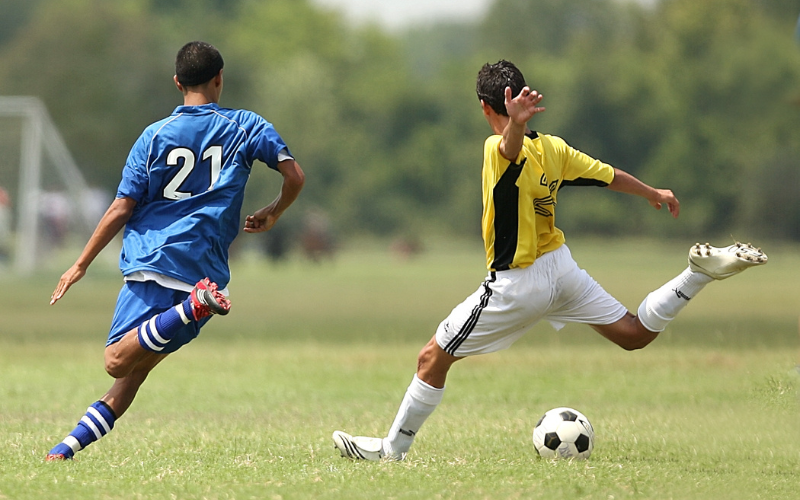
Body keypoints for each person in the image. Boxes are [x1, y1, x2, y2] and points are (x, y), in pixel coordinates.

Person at [332, 60, 767, 461]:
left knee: (432, 358)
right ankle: (695, 275)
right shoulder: (554, 149)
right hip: (561, 268)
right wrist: (653, 192)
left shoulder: (494, 147)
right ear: (520, 96)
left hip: (517, 283)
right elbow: (607, 175)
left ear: (485, 107)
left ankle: (393, 450)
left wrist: (513, 127)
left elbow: (507, 150)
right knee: (634, 334)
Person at [46, 41, 305, 461]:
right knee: (131, 377)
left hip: (154, 261)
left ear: (177, 83)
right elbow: (294, 175)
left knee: (116, 361)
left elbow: (121, 207)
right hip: (205, 268)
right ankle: (64, 450)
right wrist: (273, 212)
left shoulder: (153, 137)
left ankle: (190, 307)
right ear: (220, 79)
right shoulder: (246, 125)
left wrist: (80, 264)